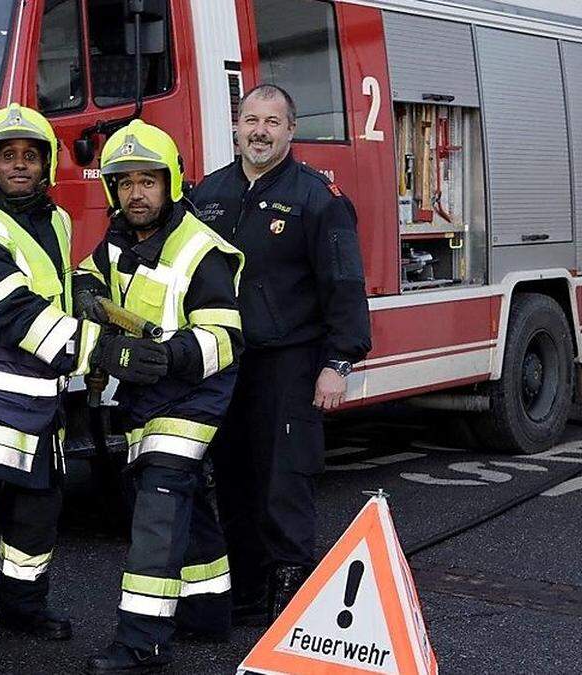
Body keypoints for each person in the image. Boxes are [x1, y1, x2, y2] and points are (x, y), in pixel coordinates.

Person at [0, 104, 164, 674]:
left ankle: (22, 610)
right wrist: (105, 349)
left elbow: (55, 287)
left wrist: (86, 288)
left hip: (40, 403)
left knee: (35, 523)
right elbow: (14, 315)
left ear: (46, 164)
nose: (19, 165)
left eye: (30, 155)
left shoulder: (55, 221)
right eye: (7, 156)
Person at [190, 84, 372, 624]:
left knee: (284, 485)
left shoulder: (317, 198)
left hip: (290, 364)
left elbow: (344, 283)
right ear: (236, 126)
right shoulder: (209, 193)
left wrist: (337, 363)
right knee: (236, 481)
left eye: (273, 121)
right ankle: (246, 599)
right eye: (251, 119)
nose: (260, 131)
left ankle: (294, 611)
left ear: (291, 130)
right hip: (226, 363)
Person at [77, 120, 244, 673]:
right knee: (184, 504)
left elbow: (227, 338)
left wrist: (171, 356)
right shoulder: (120, 239)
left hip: (193, 397)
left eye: (148, 182)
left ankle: (141, 642)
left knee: (158, 508)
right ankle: (207, 612)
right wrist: (85, 290)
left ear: (170, 183)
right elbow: (90, 276)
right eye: (125, 184)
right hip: (144, 398)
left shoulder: (200, 249)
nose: (136, 194)